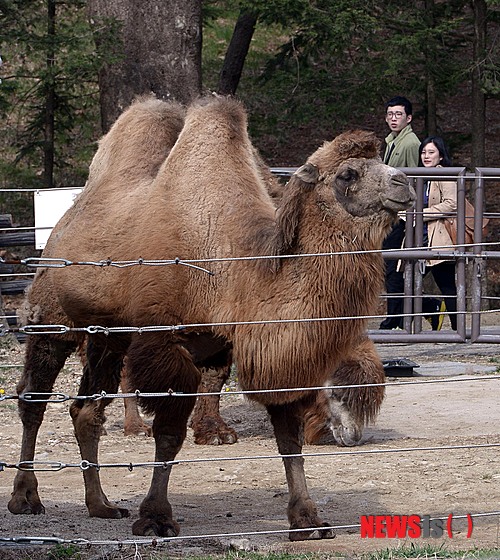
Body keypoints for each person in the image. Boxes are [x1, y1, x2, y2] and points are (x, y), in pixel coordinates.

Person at [379, 96, 420, 329]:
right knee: (389, 264)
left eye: (398, 115)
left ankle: (397, 317)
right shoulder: (393, 141)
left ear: (408, 118)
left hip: (402, 214)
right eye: (390, 114)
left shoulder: (409, 143)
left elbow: (411, 179)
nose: (393, 119)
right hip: (392, 212)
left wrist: (408, 215)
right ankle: (410, 311)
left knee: (394, 266)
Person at [419, 136, 458, 330]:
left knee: (447, 285)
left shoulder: (445, 174)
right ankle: (432, 309)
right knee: (402, 282)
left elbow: (452, 203)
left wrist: (421, 215)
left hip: (440, 237)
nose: (426, 156)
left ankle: (458, 329)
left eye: (431, 152)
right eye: (424, 152)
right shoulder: (418, 176)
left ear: (441, 156)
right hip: (419, 237)